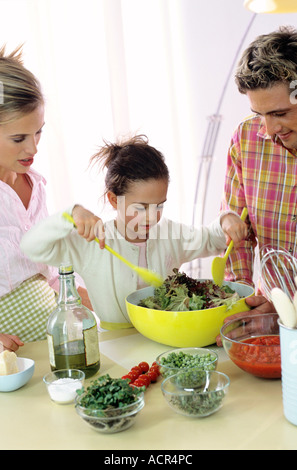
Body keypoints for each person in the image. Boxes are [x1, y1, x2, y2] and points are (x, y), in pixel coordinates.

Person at [21, 135, 248, 330]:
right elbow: (31, 247)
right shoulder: (91, 242)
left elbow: (212, 238)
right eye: (141, 208)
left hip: (166, 334)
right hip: (115, 342)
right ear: (113, 199)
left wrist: (226, 220)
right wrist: (71, 214)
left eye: (159, 205)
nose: (152, 217)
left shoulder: (170, 234)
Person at [0, 45, 91, 352]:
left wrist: (88, 299)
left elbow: (49, 270)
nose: (33, 149)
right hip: (11, 359)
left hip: (49, 345)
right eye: (19, 139)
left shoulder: (35, 185)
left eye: (38, 132)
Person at [216, 26, 297, 344]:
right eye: (259, 113)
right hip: (267, 321)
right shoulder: (246, 139)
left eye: (280, 113)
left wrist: (289, 310)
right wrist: (241, 300)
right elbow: (237, 236)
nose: (269, 128)